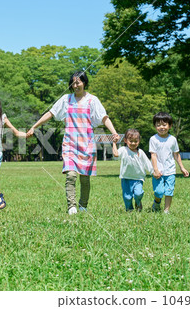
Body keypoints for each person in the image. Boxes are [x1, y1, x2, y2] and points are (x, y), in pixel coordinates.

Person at [27, 71, 120, 215]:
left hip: (87, 144)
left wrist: (114, 132)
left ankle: (83, 206)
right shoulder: (66, 99)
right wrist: (34, 126)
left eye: (78, 82)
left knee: (84, 178)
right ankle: (71, 206)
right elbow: (51, 113)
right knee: (70, 175)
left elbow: (103, 117)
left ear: (84, 82)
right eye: (73, 83)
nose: (76, 85)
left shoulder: (92, 100)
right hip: (70, 143)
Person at [149, 112, 189, 213]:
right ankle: (157, 203)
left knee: (169, 191)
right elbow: (153, 155)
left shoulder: (172, 139)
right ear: (155, 126)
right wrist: (156, 169)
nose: (161, 127)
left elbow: (176, 154)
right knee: (158, 192)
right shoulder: (153, 139)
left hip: (170, 170)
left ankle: (166, 211)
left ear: (170, 126)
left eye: (164, 124)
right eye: (158, 125)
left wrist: (182, 167)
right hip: (158, 171)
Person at [112, 129, 153, 212]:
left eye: (136, 141)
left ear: (139, 141)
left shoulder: (140, 152)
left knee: (138, 193)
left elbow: (147, 164)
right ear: (126, 141)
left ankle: (138, 202)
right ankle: (129, 209)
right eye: (131, 141)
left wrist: (153, 172)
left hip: (138, 178)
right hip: (126, 178)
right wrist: (114, 143)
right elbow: (116, 155)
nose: (133, 143)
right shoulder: (124, 150)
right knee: (127, 197)